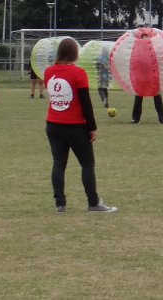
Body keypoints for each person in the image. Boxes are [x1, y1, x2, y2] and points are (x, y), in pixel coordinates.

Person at [43, 37, 116, 213]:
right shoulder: (78, 73)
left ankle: (60, 204)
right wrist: (92, 127)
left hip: (53, 123)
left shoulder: (48, 71)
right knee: (87, 164)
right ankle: (93, 203)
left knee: (59, 164)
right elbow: (85, 103)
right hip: (75, 125)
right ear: (75, 53)